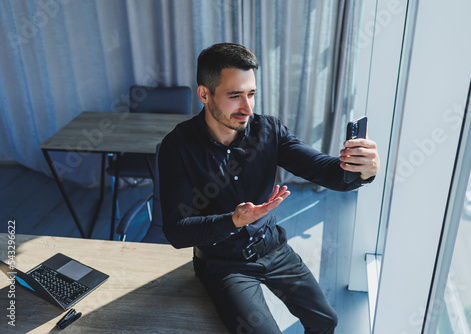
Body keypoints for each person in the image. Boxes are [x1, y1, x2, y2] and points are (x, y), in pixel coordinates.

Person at [158, 42, 380, 334]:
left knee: (326, 320)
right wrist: (234, 221)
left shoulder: (269, 131)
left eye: (251, 94)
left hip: (272, 247)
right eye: (235, 95)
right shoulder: (177, 148)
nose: (247, 107)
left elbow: (326, 172)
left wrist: (363, 170)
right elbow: (176, 231)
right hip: (223, 264)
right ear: (204, 94)